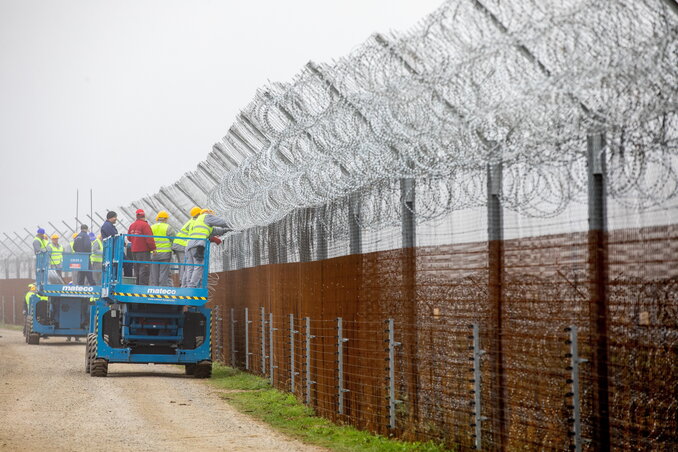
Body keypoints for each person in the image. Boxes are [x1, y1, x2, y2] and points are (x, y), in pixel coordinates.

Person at [184, 209, 231, 288]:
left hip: (190, 245)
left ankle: (188, 285)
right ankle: (192, 286)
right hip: (198, 244)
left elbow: (220, 231)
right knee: (199, 266)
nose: (213, 217)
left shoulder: (200, 221)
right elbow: (222, 223)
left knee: (190, 267)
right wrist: (235, 223)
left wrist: (231, 229)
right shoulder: (206, 216)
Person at [173, 206, 201, 286]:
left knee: (184, 265)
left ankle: (183, 282)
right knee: (184, 265)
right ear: (198, 214)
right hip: (182, 244)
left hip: (179, 244)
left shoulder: (191, 221)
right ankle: (183, 283)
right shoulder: (195, 222)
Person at [127, 209, 156, 285]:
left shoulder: (132, 225)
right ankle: (143, 289)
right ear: (144, 216)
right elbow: (149, 239)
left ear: (136, 216)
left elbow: (129, 238)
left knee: (137, 270)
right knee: (144, 270)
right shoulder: (145, 225)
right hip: (144, 251)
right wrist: (153, 249)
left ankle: (137, 287)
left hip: (134, 251)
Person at [150, 211, 175, 286]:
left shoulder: (152, 227)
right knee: (163, 273)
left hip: (154, 253)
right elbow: (174, 239)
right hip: (165, 253)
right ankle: (162, 289)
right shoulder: (168, 227)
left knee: (154, 273)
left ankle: (154, 288)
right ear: (165, 219)